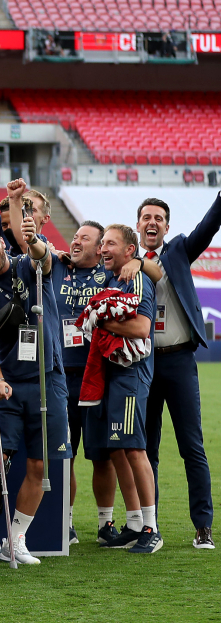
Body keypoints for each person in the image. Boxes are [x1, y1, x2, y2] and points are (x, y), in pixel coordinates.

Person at [0, 189, 70, 566]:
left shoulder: (28, 264)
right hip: (7, 385)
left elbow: (43, 258)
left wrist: (36, 241)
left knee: (39, 467)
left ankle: (17, 538)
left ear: (0, 242)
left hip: (47, 380)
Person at [50, 222, 152, 547]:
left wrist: (139, 262)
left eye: (89, 239)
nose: (76, 241)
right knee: (64, 453)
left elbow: (141, 322)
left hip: (100, 377)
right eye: (75, 236)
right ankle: (64, 523)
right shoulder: (56, 267)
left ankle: (109, 523)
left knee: (105, 455)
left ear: (100, 250)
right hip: (61, 376)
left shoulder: (112, 275)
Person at [136, 195, 218, 549]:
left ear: (166, 227)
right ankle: (148, 525)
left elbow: (208, 227)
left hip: (180, 361)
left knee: (192, 447)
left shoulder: (181, 250)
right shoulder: (128, 262)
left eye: (158, 218)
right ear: (138, 225)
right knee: (146, 448)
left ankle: (203, 526)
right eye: (146, 217)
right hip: (142, 362)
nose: (152, 222)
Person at [84, 224, 161, 554]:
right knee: (118, 450)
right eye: (102, 243)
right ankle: (133, 524)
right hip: (113, 375)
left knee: (133, 449)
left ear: (130, 250)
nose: (103, 248)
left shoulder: (137, 277)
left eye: (110, 243)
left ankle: (151, 528)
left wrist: (98, 320)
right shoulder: (115, 278)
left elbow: (143, 327)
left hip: (131, 375)